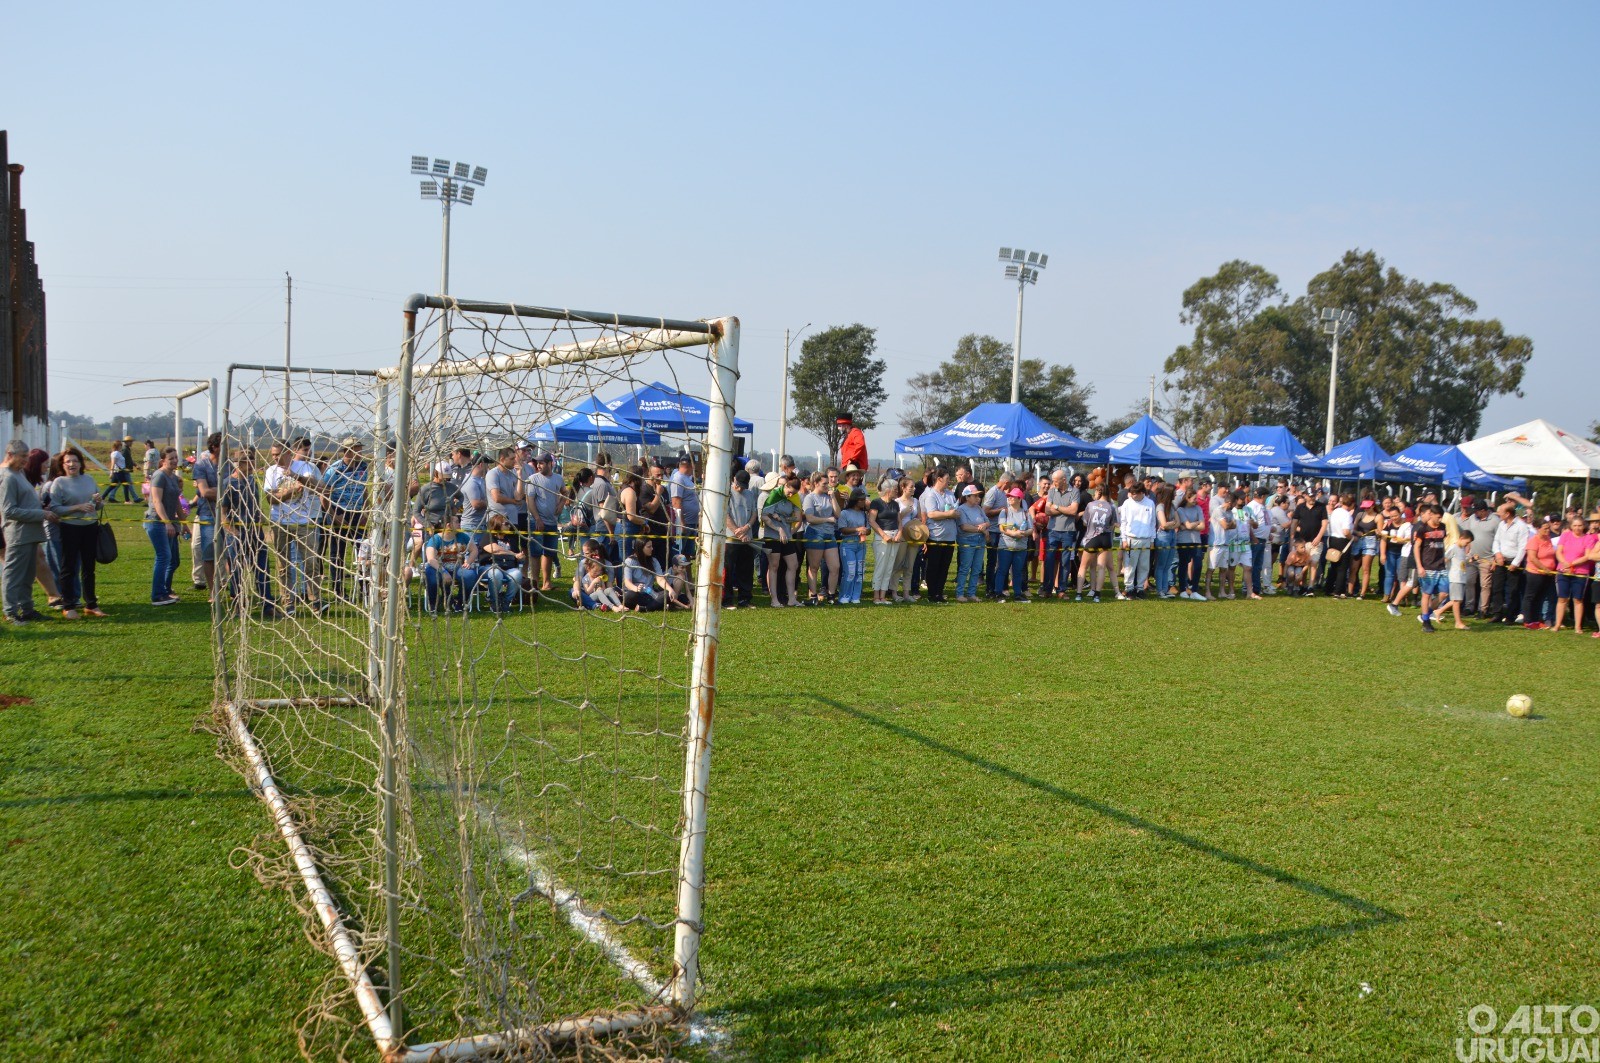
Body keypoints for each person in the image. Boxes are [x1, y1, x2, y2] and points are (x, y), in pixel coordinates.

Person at [263, 443, 323, 616]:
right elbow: (271, 499)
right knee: (283, 564)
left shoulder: (305, 467)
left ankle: (315, 600)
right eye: (273, 454)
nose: (274, 457)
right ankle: (288, 602)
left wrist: (298, 478)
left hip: (304, 522)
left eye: (278, 454)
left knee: (311, 562)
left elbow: (318, 487)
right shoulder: (270, 472)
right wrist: (291, 490)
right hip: (280, 522)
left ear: (288, 452)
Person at [1, 440, 57, 623]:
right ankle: (10, 612)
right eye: (23, 456)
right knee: (14, 574)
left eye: (27, 456)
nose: (26, 460)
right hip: (18, 533)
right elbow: (9, 511)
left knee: (27, 574)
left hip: (31, 532)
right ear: (10, 455)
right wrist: (40, 513)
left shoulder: (19, 474)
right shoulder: (7, 477)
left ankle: (27, 609)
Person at [46, 450, 105, 619]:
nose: (72, 464)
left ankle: (91, 604)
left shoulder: (89, 480)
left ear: (81, 463)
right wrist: (77, 507)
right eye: (68, 462)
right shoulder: (59, 483)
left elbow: (97, 506)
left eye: (75, 461)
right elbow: (55, 508)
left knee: (89, 568)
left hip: (90, 527)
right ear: (62, 465)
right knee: (69, 567)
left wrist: (99, 502)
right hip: (70, 528)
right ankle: (68, 605)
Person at [220, 448, 275, 619]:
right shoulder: (229, 483)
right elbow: (223, 512)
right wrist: (232, 531)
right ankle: (238, 605)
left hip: (255, 532)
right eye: (247, 460)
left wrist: (262, 521)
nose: (251, 463)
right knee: (237, 570)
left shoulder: (252, 481)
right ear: (238, 463)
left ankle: (268, 605)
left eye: (252, 459)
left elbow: (255, 506)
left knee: (262, 569)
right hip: (237, 533)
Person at [322, 439, 369, 602]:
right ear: (347, 451)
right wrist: (335, 516)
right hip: (340, 512)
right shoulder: (334, 469)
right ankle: (338, 590)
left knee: (364, 551)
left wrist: (365, 512)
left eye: (360, 449)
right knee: (338, 554)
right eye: (357, 449)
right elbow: (324, 493)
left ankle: (365, 589)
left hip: (358, 513)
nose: (360, 452)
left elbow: (366, 491)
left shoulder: (364, 467)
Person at [142, 447, 184, 606]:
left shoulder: (173, 477)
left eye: (176, 457)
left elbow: (177, 502)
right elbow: (157, 501)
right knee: (164, 556)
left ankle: (166, 590)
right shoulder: (159, 476)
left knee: (174, 560)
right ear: (162, 461)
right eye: (170, 458)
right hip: (156, 522)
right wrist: (167, 523)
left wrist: (183, 524)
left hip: (170, 522)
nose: (174, 460)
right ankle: (158, 595)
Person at [422, 512, 478, 614]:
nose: (459, 524)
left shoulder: (463, 536)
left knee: (470, 575)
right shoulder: (436, 539)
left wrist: (468, 562)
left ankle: (461, 602)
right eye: (457, 522)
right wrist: (443, 572)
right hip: (438, 567)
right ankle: (433, 603)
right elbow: (431, 559)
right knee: (431, 576)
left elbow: (474, 550)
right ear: (448, 525)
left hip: (458, 567)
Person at [916, 467, 958, 603]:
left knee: (945, 567)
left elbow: (956, 510)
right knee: (934, 566)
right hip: (935, 537)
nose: (949, 481)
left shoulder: (950, 494)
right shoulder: (931, 495)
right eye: (947, 479)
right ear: (939, 479)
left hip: (950, 537)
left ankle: (939, 592)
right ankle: (932, 593)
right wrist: (948, 514)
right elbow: (932, 514)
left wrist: (951, 514)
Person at [760, 471, 802, 607]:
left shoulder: (794, 498)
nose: (790, 495)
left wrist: (783, 519)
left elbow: (796, 518)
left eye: (793, 494)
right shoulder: (774, 496)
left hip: (787, 536)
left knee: (793, 565)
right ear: (785, 486)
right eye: (789, 492)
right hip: (772, 536)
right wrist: (778, 528)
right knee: (774, 566)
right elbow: (765, 516)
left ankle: (791, 599)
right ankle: (774, 600)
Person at [1551, 515, 1597, 634]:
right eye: (1575, 525)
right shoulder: (1565, 535)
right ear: (1571, 526)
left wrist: (1571, 564)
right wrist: (1564, 563)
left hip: (1580, 573)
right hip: (1563, 571)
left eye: (1580, 525)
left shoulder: (1588, 538)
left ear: (1584, 526)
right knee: (1562, 598)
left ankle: (1578, 626)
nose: (1577, 528)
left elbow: (1587, 556)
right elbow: (1559, 552)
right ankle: (1557, 624)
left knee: (1578, 599)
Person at [525, 451, 564, 593]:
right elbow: (529, 500)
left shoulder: (558, 478)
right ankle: (534, 582)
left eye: (541, 463)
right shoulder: (532, 479)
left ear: (550, 464)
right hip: (536, 522)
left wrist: (561, 504)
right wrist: (537, 519)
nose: (538, 465)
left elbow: (565, 492)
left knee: (549, 552)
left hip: (552, 522)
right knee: (535, 553)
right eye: (537, 463)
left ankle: (547, 583)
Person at [800, 471, 841, 605]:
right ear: (816, 483)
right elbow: (810, 518)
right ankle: (813, 596)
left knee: (835, 567)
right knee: (814, 567)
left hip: (830, 535)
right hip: (815, 534)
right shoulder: (809, 498)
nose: (827, 486)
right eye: (824, 484)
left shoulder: (828, 496)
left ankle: (831, 595)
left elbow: (838, 514)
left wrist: (833, 497)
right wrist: (827, 519)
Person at [189, 432, 221, 596]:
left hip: (228, 515)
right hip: (207, 514)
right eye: (225, 446)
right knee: (209, 554)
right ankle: (213, 592)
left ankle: (232, 590)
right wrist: (223, 491)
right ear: (215, 447)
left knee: (229, 554)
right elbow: (204, 492)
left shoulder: (229, 465)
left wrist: (215, 491)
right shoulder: (201, 465)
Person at [1042, 468, 1081, 599]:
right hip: (1052, 530)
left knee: (1065, 562)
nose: (1053, 483)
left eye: (1055, 481)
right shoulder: (1052, 491)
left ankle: (1061, 590)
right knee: (1049, 560)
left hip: (1068, 532)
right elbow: (1047, 511)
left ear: (1064, 480)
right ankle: (1047, 588)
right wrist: (1066, 509)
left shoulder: (1075, 492)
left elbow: (1073, 511)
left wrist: (1057, 507)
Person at [1077, 478, 1116, 603]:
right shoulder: (1111, 506)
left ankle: (1078, 594)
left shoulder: (1091, 505)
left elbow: (1084, 522)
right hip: (1105, 538)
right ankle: (1097, 595)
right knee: (1101, 567)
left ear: (1098, 491)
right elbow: (1113, 524)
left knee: (1083, 566)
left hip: (1091, 537)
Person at [1489, 502, 1530, 623]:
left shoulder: (1521, 526)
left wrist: (1516, 563)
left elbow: (1523, 546)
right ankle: (1497, 614)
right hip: (1501, 560)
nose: (1499, 515)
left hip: (1513, 561)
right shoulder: (1501, 524)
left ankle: (1510, 616)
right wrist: (1498, 554)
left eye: (1500, 512)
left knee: (1512, 590)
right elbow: (1496, 541)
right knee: (1497, 588)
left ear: (1507, 514)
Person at [723, 468, 758, 609]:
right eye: (738, 485)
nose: (740, 488)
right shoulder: (727, 493)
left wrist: (747, 527)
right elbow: (725, 515)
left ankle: (745, 599)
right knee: (728, 569)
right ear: (733, 480)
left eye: (743, 486)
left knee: (746, 569)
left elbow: (754, 513)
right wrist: (737, 531)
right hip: (730, 539)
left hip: (747, 538)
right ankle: (727, 600)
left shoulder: (749, 494)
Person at [1117, 479, 1157, 600]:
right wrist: (1123, 539)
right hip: (1131, 538)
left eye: (1135, 493)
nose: (1133, 495)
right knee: (1130, 566)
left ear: (1142, 493)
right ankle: (1129, 588)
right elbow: (1123, 523)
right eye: (1132, 493)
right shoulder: (1127, 503)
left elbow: (1152, 523)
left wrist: (1152, 540)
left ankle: (1140, 589)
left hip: (1146, 538)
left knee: (1144, 566)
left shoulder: (1150, 503)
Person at [1411, 504, 1449, 633]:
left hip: (1441, 566)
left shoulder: (1443, 527)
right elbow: (1416, 548)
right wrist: (1419, 566)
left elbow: (1443, 543)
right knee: (1426, 594)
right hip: (1428, 566)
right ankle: (1426, 621)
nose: (1440, 520)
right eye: (1438, 517)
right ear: (1431, 514)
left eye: (1441, 517)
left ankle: (1426, 614)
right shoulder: (1422, 528)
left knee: (1444, 593)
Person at [1458, 499, 1499, 617]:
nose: (1474, 513)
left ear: (1483, 510)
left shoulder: (1495, 521)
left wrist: (1495, 559)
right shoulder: (1472, 518)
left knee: (1485, 585)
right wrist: (1467, 553)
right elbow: (1468, 537)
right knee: (1469, 582)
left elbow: (1499, 539)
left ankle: (1483, 609)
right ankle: (1469, 607)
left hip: (1487, 558)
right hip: (1472, 557)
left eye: (1476, 511)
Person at [1519, 515, 1560, 629]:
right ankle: (1528, 620)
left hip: (1547, 574)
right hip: (1535, 573)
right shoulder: (1533, 541)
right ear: (1538, 528)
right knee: (1530, 596)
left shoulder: (1548, 540)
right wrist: (1544, 568)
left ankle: (1536, 619)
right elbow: (1532, 558)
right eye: (1545, 528)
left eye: (1548, 528)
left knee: (1540, 597)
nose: (1547, 530)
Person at [479, 513, 525, 613]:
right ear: (498, 524)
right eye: (506, 524)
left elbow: (518, 554)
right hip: (488, 566)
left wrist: (520, 556)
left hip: (507, 567)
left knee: (517, 574)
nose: (509, 526)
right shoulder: (488, 536)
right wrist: (513, 553)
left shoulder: (511, 539)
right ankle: (494, 602)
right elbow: (493, 549)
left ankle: (505, 602)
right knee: (496, 574)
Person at [994, 487, 1033, 601]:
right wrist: (1013, 534)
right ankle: (998, 593)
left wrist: (1024, 533)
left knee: (1017, 572)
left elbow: (1031, 529)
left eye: (1012, 496)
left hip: (1020, 548)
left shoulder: (1025, 514)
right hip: (1005, 547)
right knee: (1002, 570)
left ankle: (1017, 593)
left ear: (1019, 498)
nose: (1009, 498)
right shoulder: (1004, 512)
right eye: (1009, 496)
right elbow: (1001, 527)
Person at [868, 476, 901, 606]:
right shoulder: (876, 502)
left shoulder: (896, 504)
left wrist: (899, 533)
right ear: (889, 490)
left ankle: (883, 596)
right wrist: (883, 535)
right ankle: (876, 596)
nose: (897, 491)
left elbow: (899, 522)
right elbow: (872, 520)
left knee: (889, 567)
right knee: (881, 566)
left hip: (895, 536)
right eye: (896, 489)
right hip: (882, 537)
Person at [953, 484, 988, 602]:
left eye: (978, 496)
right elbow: (964, 527)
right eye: (975, 496)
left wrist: (983, 526)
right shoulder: (961, 509)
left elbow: (987, 522)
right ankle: (960, 593)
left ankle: (971, 593)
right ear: (967, 497)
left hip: (980, 540)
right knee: (965, 567)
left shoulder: (979, 508)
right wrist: (981, 529)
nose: (978, 498)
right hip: (967, 541)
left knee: (977, 568)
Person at [836, 488, 870, 605]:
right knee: (850, 571)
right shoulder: (845, 513)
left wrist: (865, 531)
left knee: (859, 572)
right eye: (862, 500)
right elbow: (842, 529)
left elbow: (869, 529)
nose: (864, 502)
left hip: (861, 545)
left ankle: (856, 596)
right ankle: (844, 595)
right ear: (856, 500)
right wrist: (856, 529)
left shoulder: (864, 514)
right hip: (848, 545)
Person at [891, 475, 923, 601]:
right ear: (903, 488)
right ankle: (894, 592)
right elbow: (894, 519)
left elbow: (920, 517)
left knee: (910, 566)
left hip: (914, 536)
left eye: (914, 486)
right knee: (898, 565)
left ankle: (906, 593)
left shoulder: (916, 501)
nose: (914, 489)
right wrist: (903, 513)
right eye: (911, 487)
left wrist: (917, 520)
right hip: (901, 535)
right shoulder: (897, 502)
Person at [668, 453, 701, 562]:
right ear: (690, 465)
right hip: (684, 523)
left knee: (687, 556)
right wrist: (682, 523)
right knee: (680, 556)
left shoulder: (687, 478)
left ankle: (687, 578)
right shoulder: (678, 479)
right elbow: (676, 502)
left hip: (691, 523)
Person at [1174, 487, 1206, 600]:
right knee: (1183, 565)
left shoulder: (1198, 508)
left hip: (1196, 541)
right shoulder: (1180, 510)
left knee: (1198, 564)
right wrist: (1195, 523)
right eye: (1194, 498)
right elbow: (1187, 526)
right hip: (1183, 541)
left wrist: (1191, 525)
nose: (1196, 500)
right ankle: (1183, 589)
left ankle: (1194, 590)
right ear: (1187, 498)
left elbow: (1202, 526)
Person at [622, 538, 667, 612]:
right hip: (635, 594)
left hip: (649, 594)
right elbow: (627, 582)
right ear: (640, 548)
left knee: (667, 594)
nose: (652, 549)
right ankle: (657, 605)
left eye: (652, 546)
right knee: (630, 595)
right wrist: (636, 589)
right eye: (649, 547)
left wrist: (670, 590)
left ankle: (645, 608)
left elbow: (660, 579)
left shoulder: (654, 561)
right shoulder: (629, 561)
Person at [1152, 484, 1178, 600]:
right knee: (1161, 565)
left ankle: (1165, 589)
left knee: (1168, 565)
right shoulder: (1160, 507)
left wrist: (1170, 524)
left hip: (1172, 536)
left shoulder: (1172, 506)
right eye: (1174, 492)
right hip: (1163, 537)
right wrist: (1171, 524)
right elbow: (1163, 524)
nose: (1176, 494)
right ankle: (1160, 590)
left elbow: (1178, 522)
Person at [1442, 531, 1473, 630]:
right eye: (1467, 542)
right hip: (1455, 577)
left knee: (1457, 600)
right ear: (1461, 538)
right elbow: (1445, 559)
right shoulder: (1453, 548)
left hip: (1461, 577)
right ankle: (1458, 622)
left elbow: (1461, 561)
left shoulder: (1462, 549)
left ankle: (1438, 612)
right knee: (1456, 601)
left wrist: (1469, 559)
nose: (1467, 545)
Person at [105, 438, 136, 503]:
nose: (121, 446)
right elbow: (113, 463)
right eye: (120, 445)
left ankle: (102, 497)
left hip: (118, 471)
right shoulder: (116, 453)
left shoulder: (117, 453)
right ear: (118, 446)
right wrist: (111, 472)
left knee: (112, 486)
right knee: (125, 485)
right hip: (119, 471)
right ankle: (127, 500)